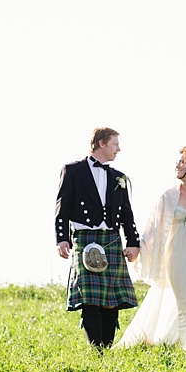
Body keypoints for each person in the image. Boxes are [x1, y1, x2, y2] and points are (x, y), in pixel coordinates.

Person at [116, 146, 186, 351]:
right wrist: (137, 248)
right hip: (177, 256)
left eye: (182, 162)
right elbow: (153, 228)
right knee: (185, 300)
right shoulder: (168, 196)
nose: (177, 165)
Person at [55, 127, 140, 349]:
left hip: (111, 239)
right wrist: (62, 239)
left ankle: (107, 348)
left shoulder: (118, 177)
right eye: (115, 144)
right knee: (90, 298)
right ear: (101, 143)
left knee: (111, 300)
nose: (118, 149)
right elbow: (62, 208)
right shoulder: (73, 171)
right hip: (85, 239)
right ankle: (97, 351)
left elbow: (126, 213)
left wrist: (133, 242)